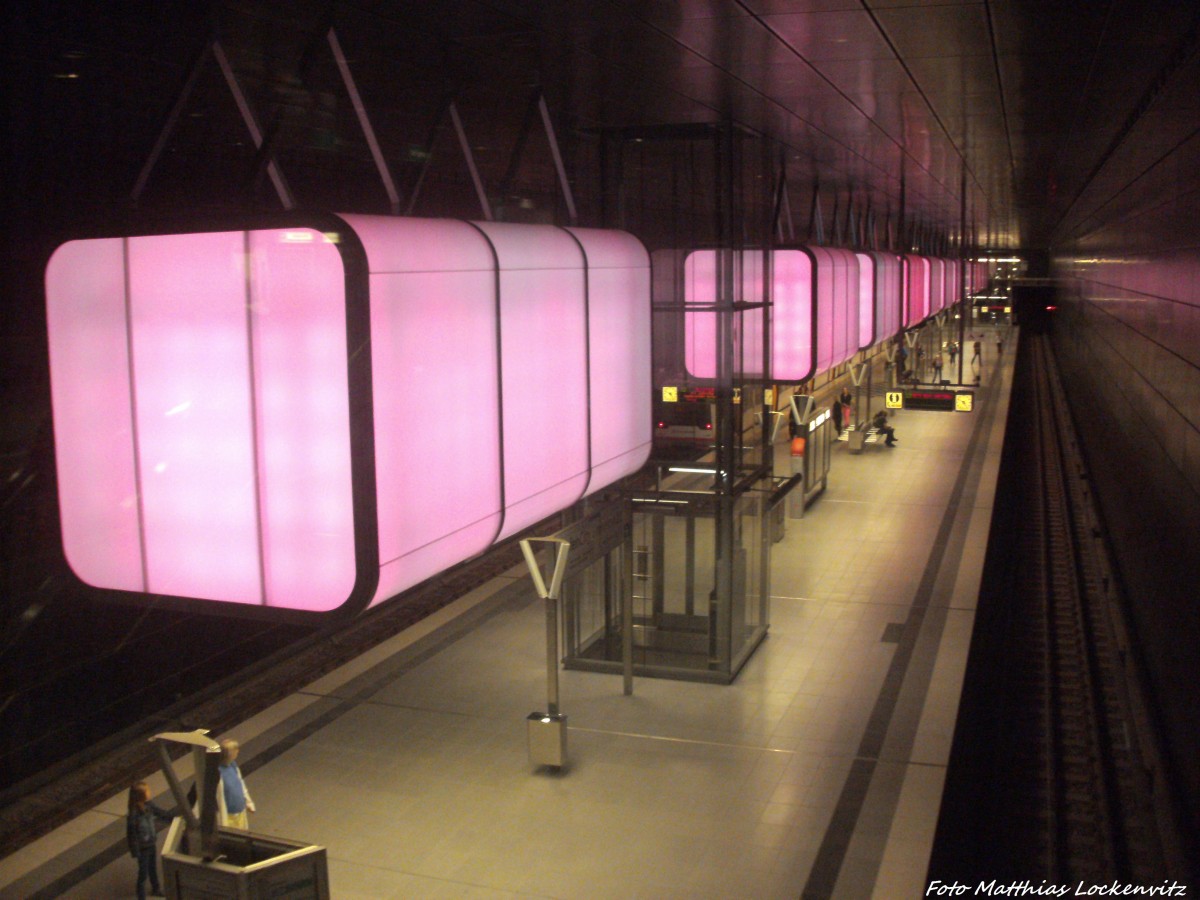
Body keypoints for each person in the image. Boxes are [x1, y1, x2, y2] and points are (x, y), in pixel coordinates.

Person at [127, 781, 171, 900]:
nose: (149, 792)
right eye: (147, 791)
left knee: (152, 867)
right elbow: (131, 835)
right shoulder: (134, 815)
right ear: (141, 796)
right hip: (143, 848)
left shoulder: (149, 806)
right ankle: (141, 896)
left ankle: (156, 888)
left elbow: (160, 812)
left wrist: (172, 816)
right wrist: (135, 851)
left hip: (151, 843)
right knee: (143, 873)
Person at [217, 738, 256, 830]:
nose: (237, 752)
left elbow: (240, 784)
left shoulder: (232, 765)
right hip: (228, 816)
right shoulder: (217, 773)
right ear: (230, 754)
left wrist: (248, 802)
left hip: (240, 813)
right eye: (236, 750)